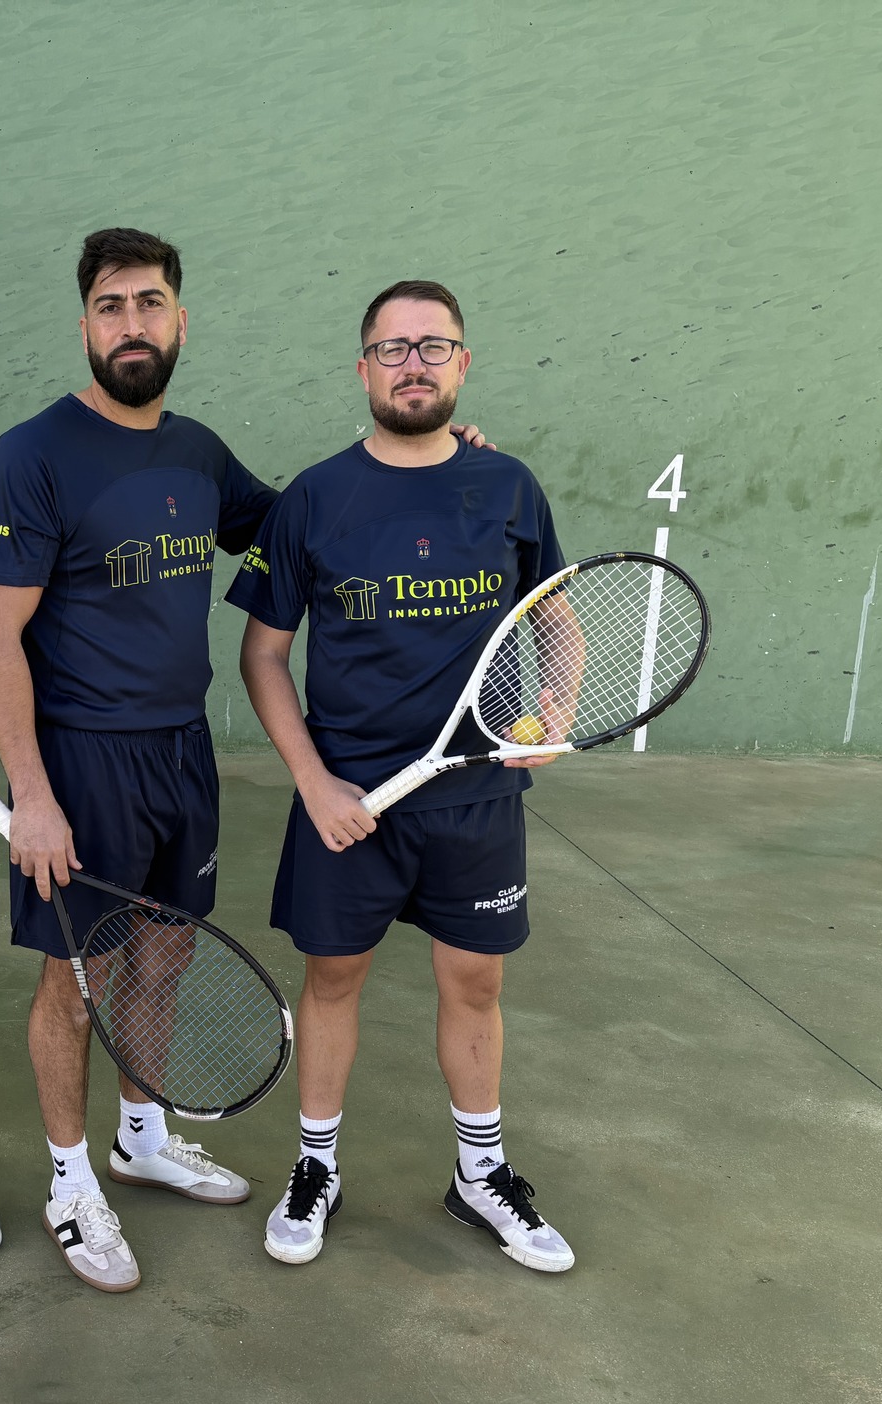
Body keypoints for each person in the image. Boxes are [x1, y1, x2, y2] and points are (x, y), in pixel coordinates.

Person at [228, 279, 576, 1273]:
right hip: (350, 804)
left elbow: (557, 619)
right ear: (363, 368)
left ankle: (481, 1173)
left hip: (477, 797)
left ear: (463, 362)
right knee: (333, 979)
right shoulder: (313, 498)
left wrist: (554, 709)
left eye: (433, 345)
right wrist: (313, 782)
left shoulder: (508, 486)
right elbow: (262, 655)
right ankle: (316, 1166)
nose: (412, 364)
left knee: (476, 981)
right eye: (393, 348)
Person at [0, 228, 279, 1292]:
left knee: (165, 954)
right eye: (110, 306)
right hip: (81, 763)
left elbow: (296, 526)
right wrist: (33, 793)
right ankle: (68, 1180)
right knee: (77, 978)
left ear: (180, 321)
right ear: (84, 325)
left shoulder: (200, 452)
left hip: (181, 751)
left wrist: (425, 462)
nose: (131, 324)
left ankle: (140, 1138)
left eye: (149, 304)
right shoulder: (34, 454)